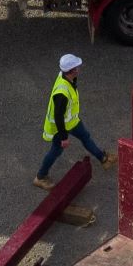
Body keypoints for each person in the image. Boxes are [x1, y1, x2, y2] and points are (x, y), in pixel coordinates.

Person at [34, 53, 107, 188]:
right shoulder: (61, 94)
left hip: (72, 121)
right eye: (76, 67)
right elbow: (58, 117)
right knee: (56, 150)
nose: (79, 69)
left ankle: (102, 157)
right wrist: (63, 138)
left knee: (85, 136)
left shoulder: (66, 77)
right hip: (60, 128)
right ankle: (40, 177)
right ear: (71, 71)